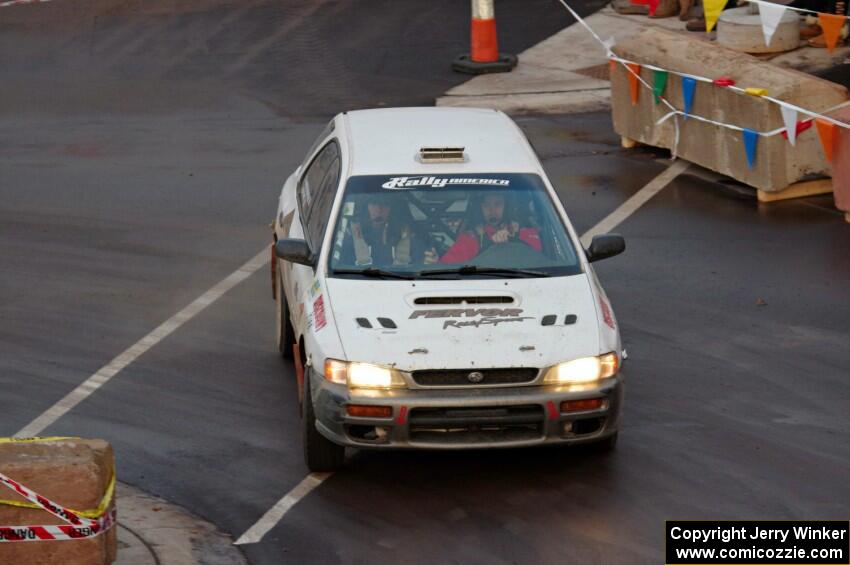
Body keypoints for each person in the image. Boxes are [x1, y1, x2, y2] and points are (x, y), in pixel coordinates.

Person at [439, 193, 542, 264]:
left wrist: (510, 244)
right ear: (480, 208)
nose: (492, 210)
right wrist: (433, 263)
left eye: (498, 204)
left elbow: (538, 262)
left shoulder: (525, 233)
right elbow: (447, 267)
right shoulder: (471, 238)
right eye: (486, 205)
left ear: (507, 206)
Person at [340, 194, 437, 266]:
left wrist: (430, 262)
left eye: (385, 204)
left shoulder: (409, 237)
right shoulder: (349, 236)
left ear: (392, 209)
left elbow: (425, 261)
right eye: (374, 203)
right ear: (366, 207)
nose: (379, 210)